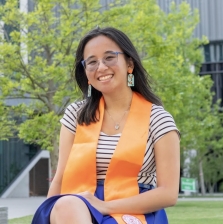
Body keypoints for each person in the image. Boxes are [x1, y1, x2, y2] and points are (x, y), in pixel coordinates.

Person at [32, 27, 180, 224]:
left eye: (109, 57)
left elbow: (168, 194)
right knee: (67, 205)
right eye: (92, 62)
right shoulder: (76, 115)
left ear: (129, 63)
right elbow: (60, 178)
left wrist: (105, 206)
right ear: (86, 73)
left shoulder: (158, 119)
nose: (101, 67)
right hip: (76, 207)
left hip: (134, 209)